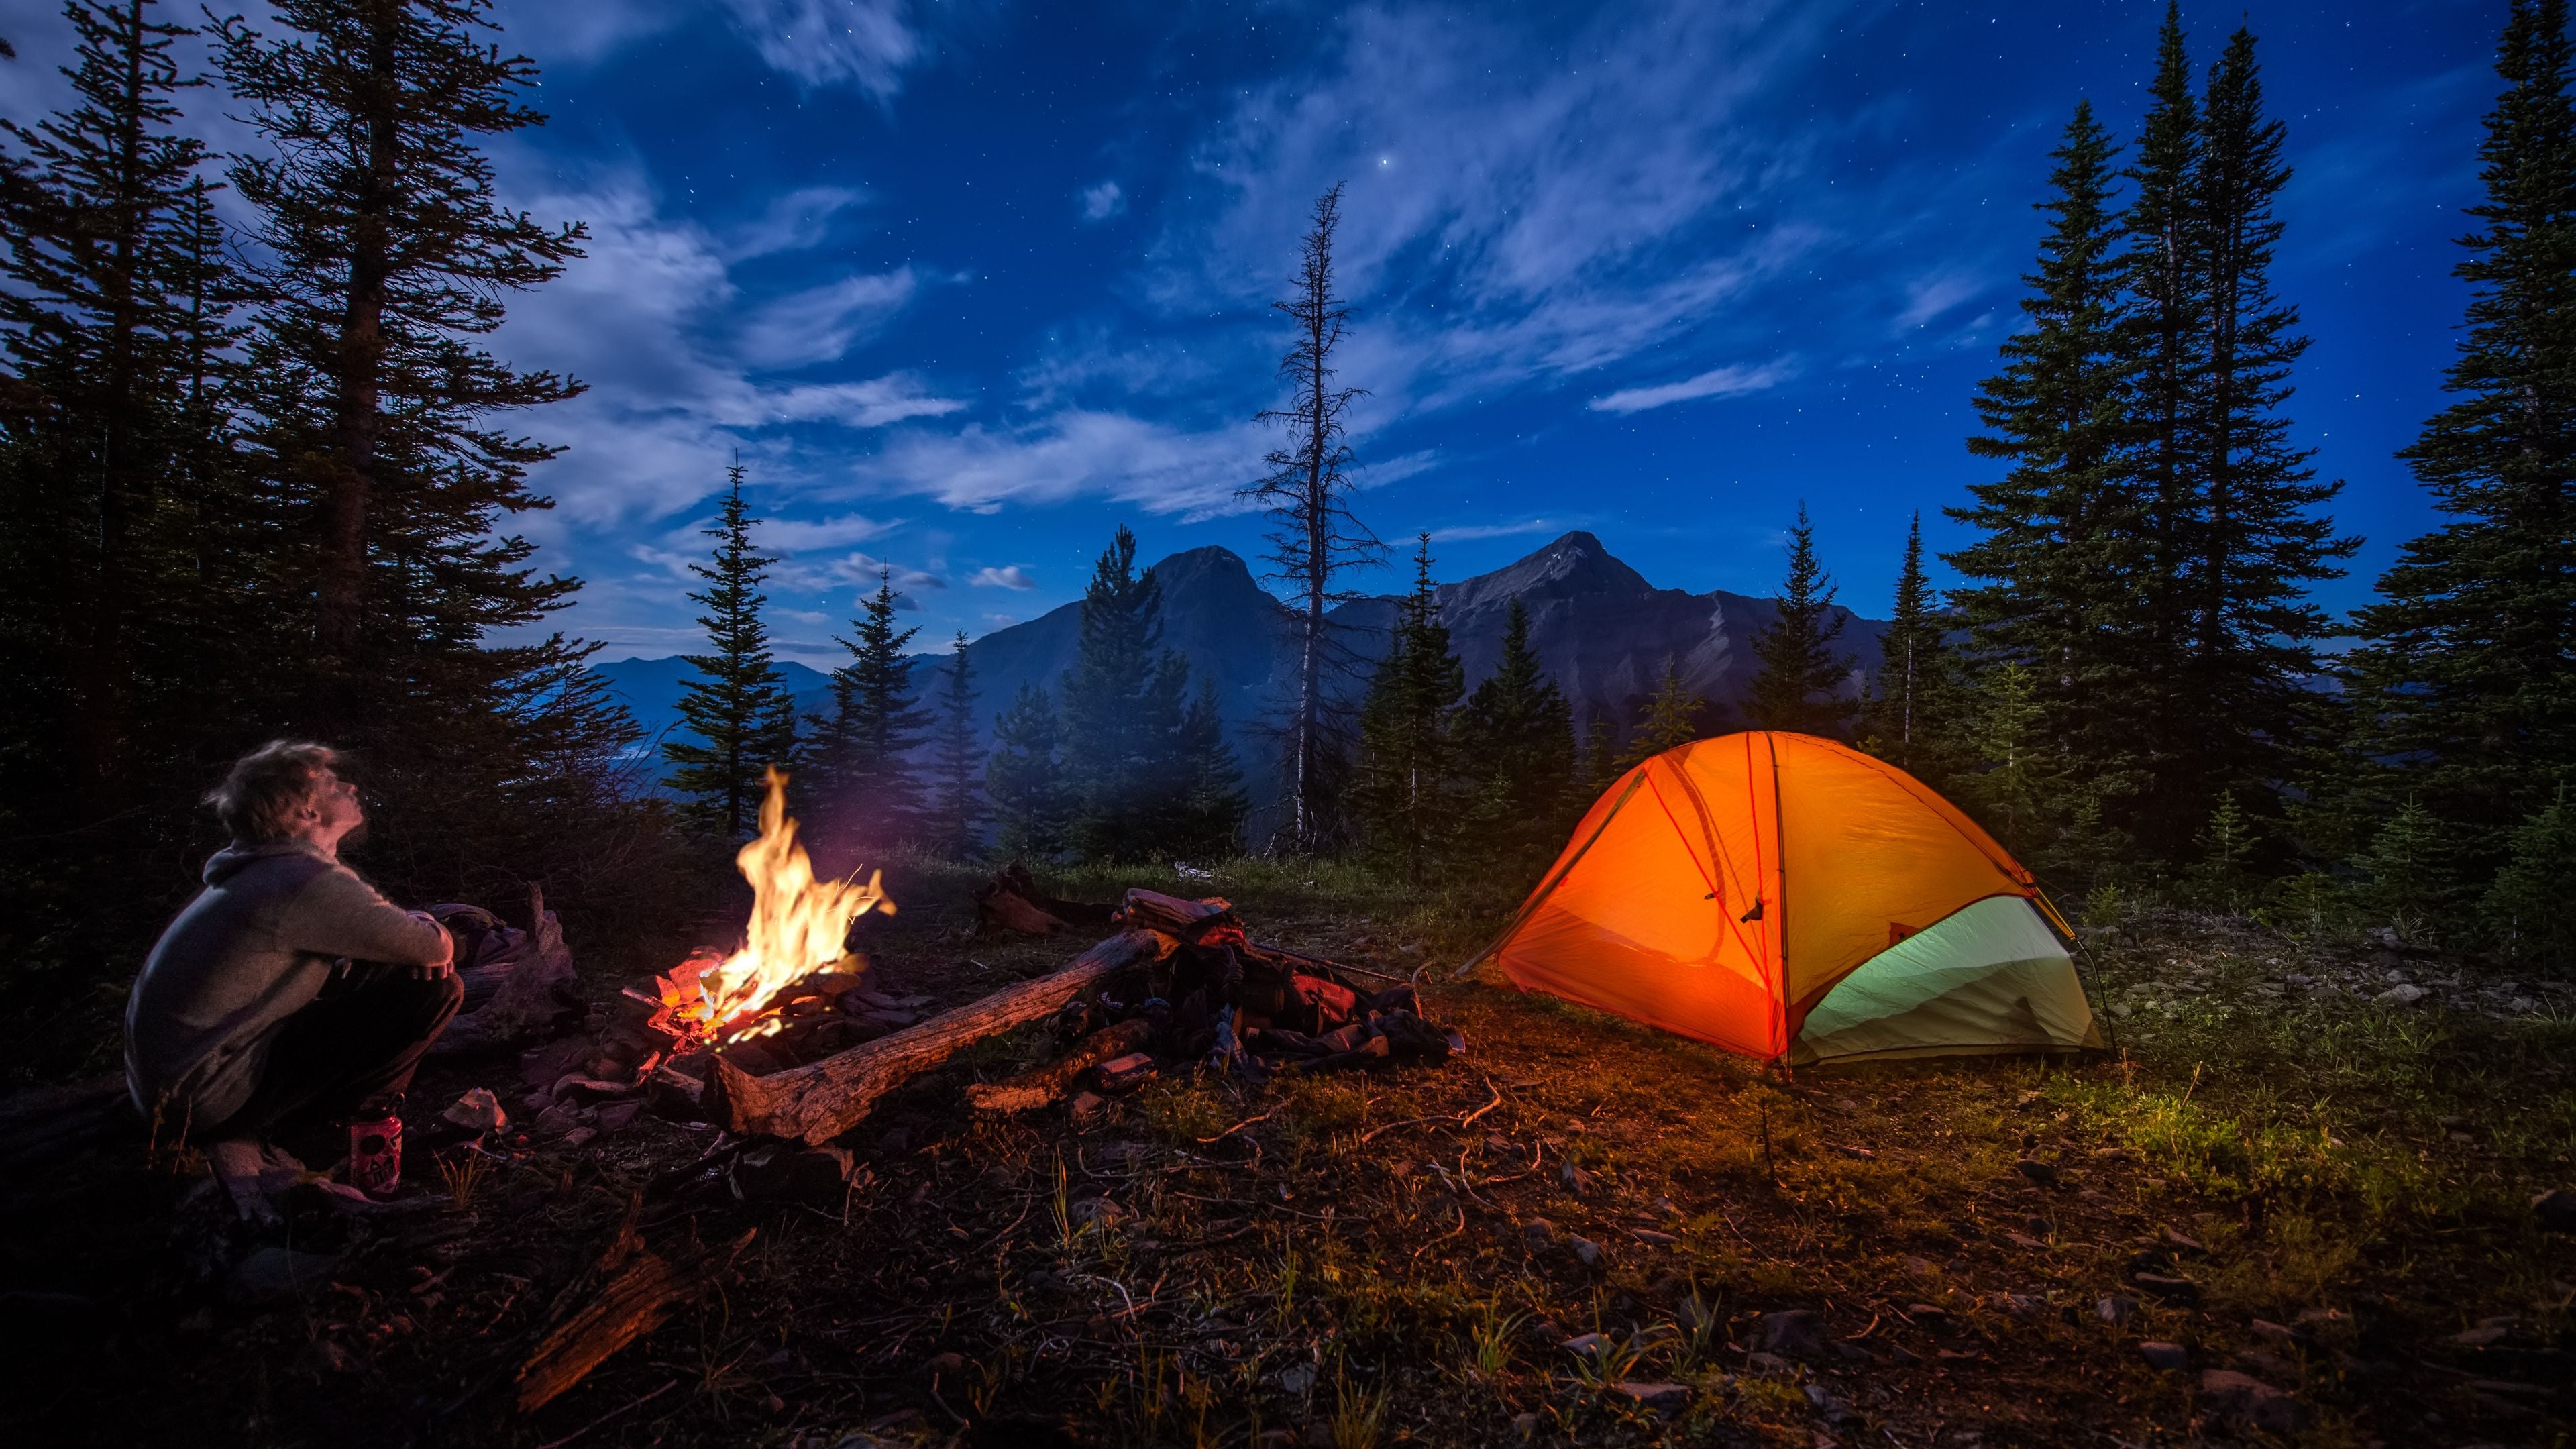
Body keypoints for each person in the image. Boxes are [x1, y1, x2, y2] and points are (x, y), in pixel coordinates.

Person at [125, 741, 462, 1187]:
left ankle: (342, 1125)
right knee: (435, 990)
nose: (349, 785)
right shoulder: (302, 881)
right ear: (305, 813)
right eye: (330, 782)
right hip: (210, 1100)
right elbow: (433, 949)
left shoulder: (263, 873)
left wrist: (412, 936)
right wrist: (429, 932)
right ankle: (366, 1127)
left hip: (178, 1091)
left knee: (389, 969)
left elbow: (389, 940)